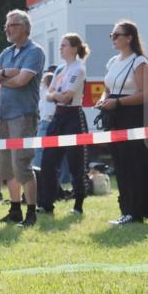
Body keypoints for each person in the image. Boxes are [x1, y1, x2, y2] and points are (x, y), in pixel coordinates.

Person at [0, 9, 46, 227]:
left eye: (11, 25)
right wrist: (6, 73)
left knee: (21, 164)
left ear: (24, 28)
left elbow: (22, 81)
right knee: (7, 168)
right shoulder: (6, 52)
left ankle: (31, 212)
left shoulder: (35, 51)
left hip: (23, 114)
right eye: (6, 25)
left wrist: (2, 76)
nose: (7, 29)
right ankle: (14, 210)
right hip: (4, 115)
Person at [96, 20, 148, 224]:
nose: (113, 38)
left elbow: (146, 94)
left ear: (129, 38)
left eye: (116, 35)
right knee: (120, 163)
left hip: (134, 116)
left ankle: (138, 211)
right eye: (111, 35)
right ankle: (126, 209)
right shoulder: (113, 62)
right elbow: (108, 87)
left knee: (134, 163)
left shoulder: (139, 62)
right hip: (115, 116)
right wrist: (104, 99)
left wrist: (117, 102)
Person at [39, 34, 90, 216]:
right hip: (57, 117)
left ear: (74, 48)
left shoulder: (78, 69)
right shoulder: (60, 69)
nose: (60, 48)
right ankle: (46, 204)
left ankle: (78, 204)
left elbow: (67, 96)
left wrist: (56, 95)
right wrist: (56, 95)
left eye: (64, 45)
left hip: (73, 117)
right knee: (48, 160)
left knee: (76, 162)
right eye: (60, 45)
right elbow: (49, 94)